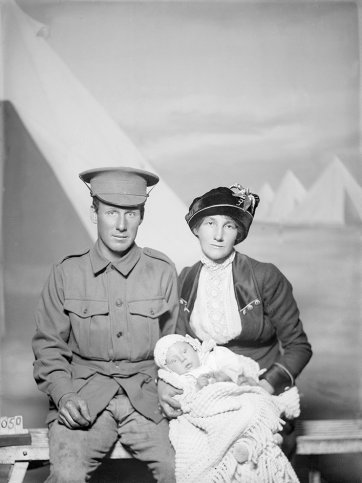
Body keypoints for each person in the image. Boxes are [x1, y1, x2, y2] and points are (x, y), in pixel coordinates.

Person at [32, 167, 179, 483]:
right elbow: (49, 348)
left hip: (146, 397)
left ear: (142, 216)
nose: (122, 225)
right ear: (94, 212)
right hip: (84, 395)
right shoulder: (66, 273)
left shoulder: (162, 271)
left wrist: (172, 386)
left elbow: (174, 345)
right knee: (67, 476)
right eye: (112, 212)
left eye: (131, 214)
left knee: (184, 469)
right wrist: (64, 395)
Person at [158, 183, 313, 458]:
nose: (218, 235)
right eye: (209, 223)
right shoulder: (186, 280)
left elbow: (299, 346)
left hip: (261, 387)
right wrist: (166, 384)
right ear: (196, 229)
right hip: (208, 396)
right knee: (190, 451)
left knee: (257, 451)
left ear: (238, 233)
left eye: (228, 226)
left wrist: (264, 386)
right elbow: (176, 346)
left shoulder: (265, 276)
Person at [154, 334, 301, 483]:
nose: (182, 359)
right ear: (167, 368)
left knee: (254, 403)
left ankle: (259, 438)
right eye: (173, 360)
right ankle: (245, 446)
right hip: (209, 411)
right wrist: (197, 389)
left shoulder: (213, 358)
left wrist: (225, 377)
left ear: (194, 347)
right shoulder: (179, 380)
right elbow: (184, 402)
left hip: (233, 397)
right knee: (211, 433)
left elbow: (240, 370)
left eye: (184, 351)